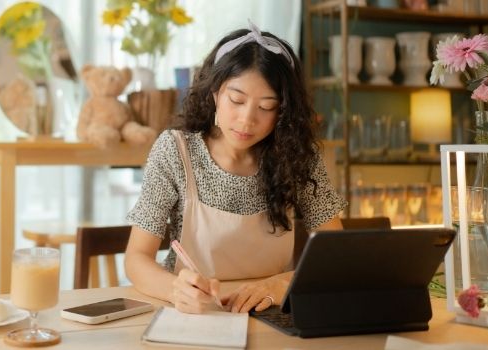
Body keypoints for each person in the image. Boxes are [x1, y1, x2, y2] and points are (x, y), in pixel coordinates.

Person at [124, 20, 347, 315]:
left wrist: (283, 284)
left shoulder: (297, 157)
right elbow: (136, 259)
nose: (247, 120)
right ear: (215, 92)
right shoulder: (176, 151)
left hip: (272, 312)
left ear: (283, 111)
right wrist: (176, 289)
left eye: (266, 107)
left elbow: (337, 255)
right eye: (237, 100)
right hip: (195, 314)